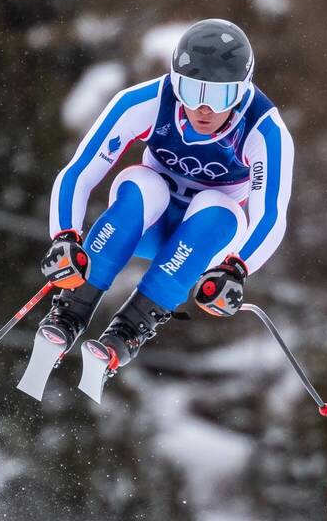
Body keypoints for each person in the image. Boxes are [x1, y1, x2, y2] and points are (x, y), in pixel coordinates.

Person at [37, 18, 294, 372]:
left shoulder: (264, 130)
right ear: (175, 80)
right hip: (145, 223)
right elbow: (79, 171)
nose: (204, 108)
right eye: (191, 90)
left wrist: (236, 268)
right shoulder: (145, 101)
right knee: (146, 185)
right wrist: (64, 235)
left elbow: (271, 216)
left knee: (216, 206)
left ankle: (128, 331)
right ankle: (70, 313)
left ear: (243, 90)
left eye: (220, 96)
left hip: (203, 240)